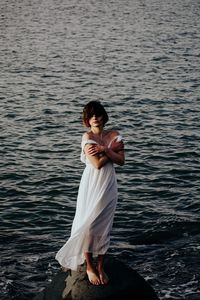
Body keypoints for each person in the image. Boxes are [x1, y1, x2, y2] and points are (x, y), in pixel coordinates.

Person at [55, 101, 125, 285]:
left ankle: (100, 265)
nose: (95, 117)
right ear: (87, 119)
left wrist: (105, 149)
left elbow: (121, 161)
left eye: (98, 114)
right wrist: (110, 151)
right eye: (91, 115)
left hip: (108, 184)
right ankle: (89, 266)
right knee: (88, 224)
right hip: (91, 184)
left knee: (105, 224)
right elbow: (96, 164)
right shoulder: (87, 137)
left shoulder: (114, 135)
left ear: (103, 116)